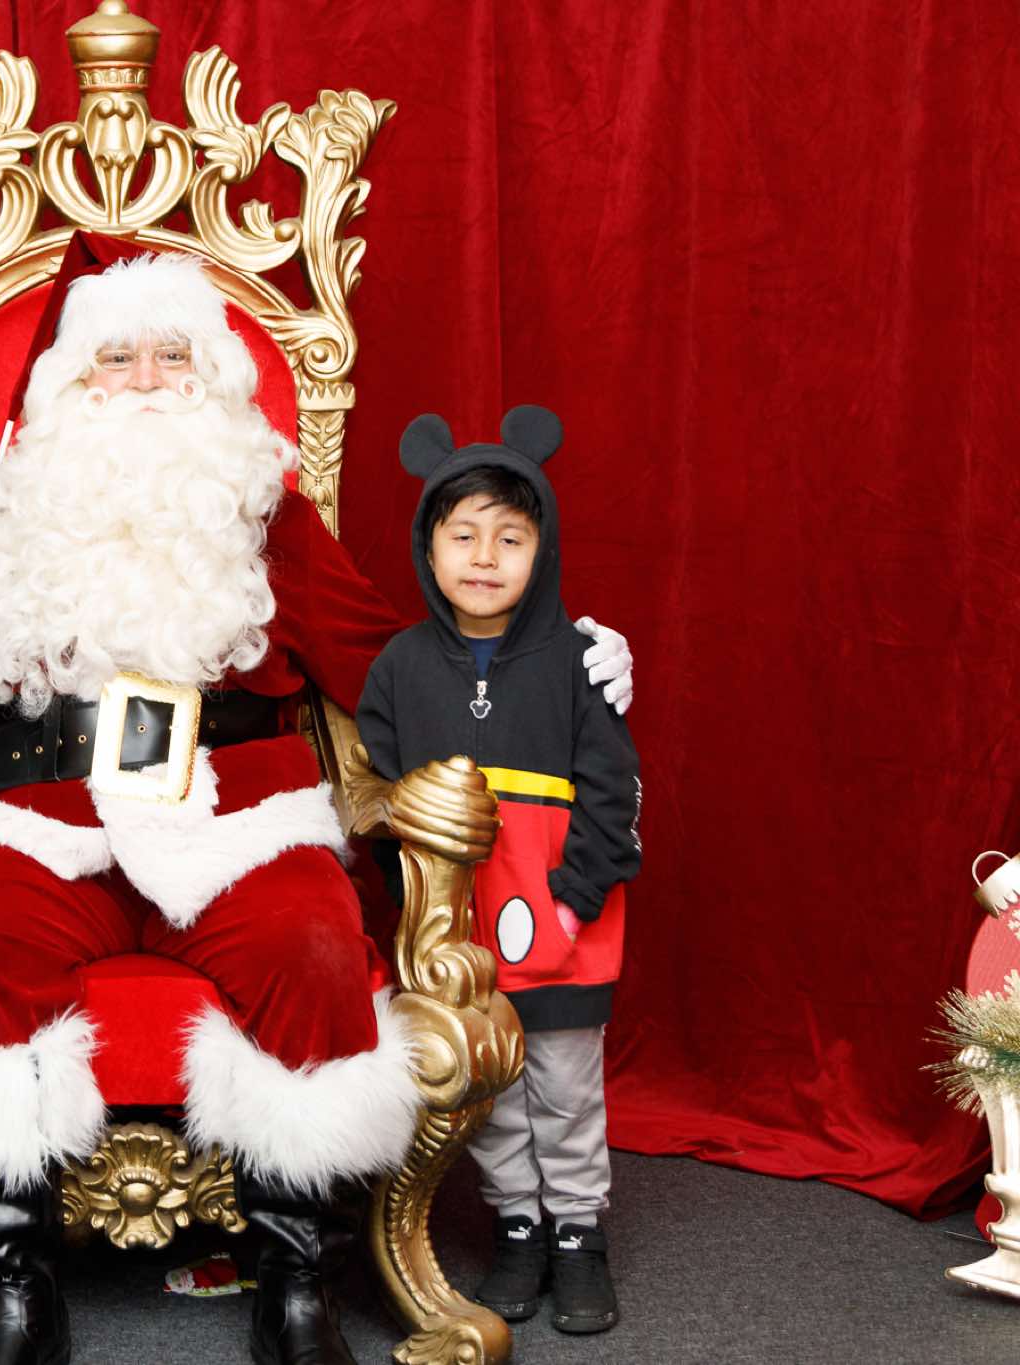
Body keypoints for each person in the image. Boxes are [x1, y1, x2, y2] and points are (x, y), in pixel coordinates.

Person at [0, 249, 637, 1365]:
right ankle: (14, 1284)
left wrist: (553, 660)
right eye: (115, 358)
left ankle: (294, 1279)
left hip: (234, 816)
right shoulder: (10, 518)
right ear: (70, 384)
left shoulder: (264, 512)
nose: (144, 381)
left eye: (170, 355)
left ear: (212, 377)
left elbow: (386, 657)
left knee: (314, 946)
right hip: (45, 815)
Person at [356, 407, 642, 1337]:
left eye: (510, 538)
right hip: (460, 941)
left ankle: (577, 1233)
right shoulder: (399, 667)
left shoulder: (579, 662)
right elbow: (382, 800)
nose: (485, 557)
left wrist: (576, 899)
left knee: (564, 1089)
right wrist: (415, 910)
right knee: (493, 1095)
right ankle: (518, 1224)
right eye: (464, 535)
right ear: (428, 547)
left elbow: (614, 792)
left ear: (540, 549)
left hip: (561, 925)